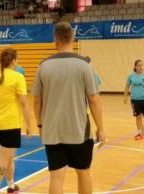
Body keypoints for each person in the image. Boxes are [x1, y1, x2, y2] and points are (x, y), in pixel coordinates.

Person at [33, 22, 105, 194]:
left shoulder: (43, 66)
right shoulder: (85, 65)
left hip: (52, 130)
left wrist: (40, 125)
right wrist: (101, 128)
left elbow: (37, 101)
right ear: (73, 38)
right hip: (79, 130)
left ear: (55, 40)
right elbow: (93, 99)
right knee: (83, 172)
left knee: (56, 176)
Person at [0, 48, 33, 194]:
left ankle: (11, 186)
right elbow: (24, 103)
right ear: (13, 60)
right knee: (3, 160)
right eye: (17, 59)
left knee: (10, 157)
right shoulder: (17, 77)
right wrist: (29, 124)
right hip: (11, 124)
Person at [124, 59, 144, 141]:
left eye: (142, 65)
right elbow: (127, 86)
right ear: (135, 67)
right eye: (139, 65)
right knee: (138, 116)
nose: (141, 67)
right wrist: (125, 96)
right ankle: (139, 132)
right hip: (135, 99)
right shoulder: (131, 76)